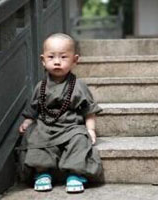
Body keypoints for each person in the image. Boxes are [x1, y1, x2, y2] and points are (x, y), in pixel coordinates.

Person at [19, 33, 102, 193]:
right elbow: (34, 108)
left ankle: (75, 174)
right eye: (51, 57)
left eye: (64, 57)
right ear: (43, 60)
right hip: (46, 125)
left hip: (71, 126)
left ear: (75, 60)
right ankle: (42, 172)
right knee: (36, 136)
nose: (57, 62)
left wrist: (90, 129)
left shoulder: (78, 85)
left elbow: (89, 110)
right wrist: (28, 121)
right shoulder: (40, 86)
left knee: (79, 140)